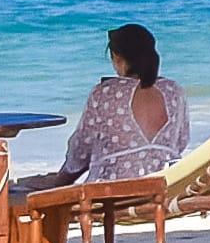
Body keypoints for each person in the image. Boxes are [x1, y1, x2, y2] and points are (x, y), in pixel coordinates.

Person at [57, 24, 195, 185]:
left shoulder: (106, 92)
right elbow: (181, 141)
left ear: (116, 57)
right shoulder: (173, 90)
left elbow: (81, 151)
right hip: (165, 186)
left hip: (114, 192)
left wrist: (57, 183)